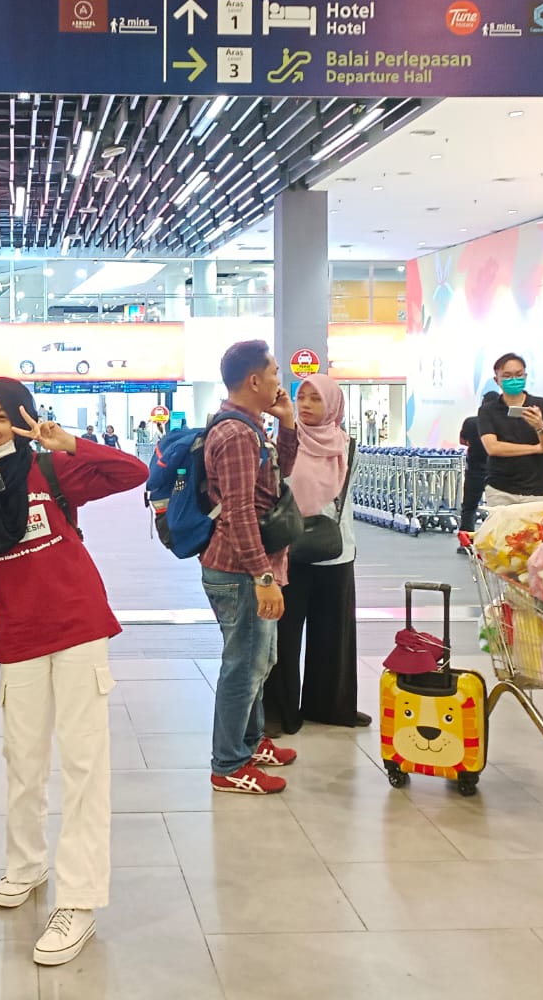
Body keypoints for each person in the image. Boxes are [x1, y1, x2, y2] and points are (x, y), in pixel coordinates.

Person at [0, 379, 147, 967]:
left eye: (3, 415)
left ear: (23, 418)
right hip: (19, 635)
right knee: (21, 760)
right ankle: (26, 864)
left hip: (78, 626)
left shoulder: (50, 469)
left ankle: (78, 899)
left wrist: (69, 442)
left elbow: (132, 473)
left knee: (83, 764)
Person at [200, 340, 299, 795]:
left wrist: (289, 425)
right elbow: (239, 512)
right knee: (244, 665)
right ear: (254, 380)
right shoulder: (237, 434)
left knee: (261, 660)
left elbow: (277, 480)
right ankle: (229, 764)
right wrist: (262, 578)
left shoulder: (251, 428)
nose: (281, 381)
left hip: (251, 567)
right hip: (240, 570)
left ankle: (250, 741)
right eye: (275, 373)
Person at [263, 376, 370, 734]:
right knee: (284, 634)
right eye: (301, 397)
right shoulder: (282, 443)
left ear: (333, 405)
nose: (306, 404)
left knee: (334, 635)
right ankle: (279, 712)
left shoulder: (347, 445)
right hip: (288, 551)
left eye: (315, 399)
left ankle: (331, 705)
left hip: (336, 549)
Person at [477, 353, 543, 506]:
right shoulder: (488, 410)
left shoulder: (542, 405)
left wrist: (540, 426)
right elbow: (493, 448)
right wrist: (536, 448)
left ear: (525, 376)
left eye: (519, 375)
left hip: (537, 490)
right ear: (497, 380)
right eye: (507, 376)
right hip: (500, 490)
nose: (514, 380)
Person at [457, 401, 494, 546]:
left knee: (469, 507)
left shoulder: (470, 422)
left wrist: (473, 444)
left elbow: (462, 441)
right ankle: (494, 541)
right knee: (498, 508)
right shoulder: (496, 424)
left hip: (474, 469)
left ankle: (466, 542)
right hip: (494, 470)